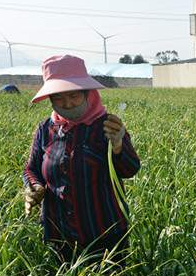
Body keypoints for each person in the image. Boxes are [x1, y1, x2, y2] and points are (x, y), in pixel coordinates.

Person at [23, 55, 141, 263]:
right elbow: (31, 169)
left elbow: (130, 170)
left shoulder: (107, 126)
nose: (66, 103)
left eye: (74, 95)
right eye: (58, 97)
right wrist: (35, 187)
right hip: (60, 234)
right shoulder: (46, 129)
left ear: (88, 94)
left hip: (104, 233)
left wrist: (118, 145)